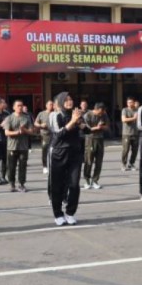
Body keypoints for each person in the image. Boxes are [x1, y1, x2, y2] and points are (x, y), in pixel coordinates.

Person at [49, 92, 88, 226]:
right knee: (57, 185)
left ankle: (70, 213)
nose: (69, 101)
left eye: (71, 99)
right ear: (60, 102)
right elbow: (59, 134)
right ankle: (58, 214)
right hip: (59, 153)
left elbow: (87, 131)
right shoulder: (55, 115)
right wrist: (73, 121)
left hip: (75, 153)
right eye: (66, 100)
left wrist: (80, 122)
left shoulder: (76, 114)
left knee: (74, 185)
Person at [3, 99, 33, 193]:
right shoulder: (9, 118)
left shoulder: (27, 117)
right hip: (12, 147)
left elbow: (31, 131)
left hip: (23, 147)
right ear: (14, 107)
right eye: (18, 105)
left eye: (21, 105)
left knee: (22, 166)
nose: (20, 107)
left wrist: (24, 130)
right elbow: (6, 132)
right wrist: (17, 132)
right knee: (11, 166)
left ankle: (21, 184)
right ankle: (12, 183)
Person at [82, 102, 109, 189]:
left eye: (102, 112)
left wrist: (102, 127)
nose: (101, 114)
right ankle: (87, 180)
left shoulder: (104, 115)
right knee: (89, 161)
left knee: (99, 162)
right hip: (90, 139)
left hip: (100, 139)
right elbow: (86, 129)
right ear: (96, 109)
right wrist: (96, 128)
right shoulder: (87, 115)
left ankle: (95, 180)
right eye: (100, 112)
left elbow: (107, 126)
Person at [34, 100, 55, 174]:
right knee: (45, 150)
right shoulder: (41, 113)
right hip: (45, 135)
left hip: (54, 135)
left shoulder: (55, 113)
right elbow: (36, 123)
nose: (51, 106)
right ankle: (45, 166)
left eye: (52, 104)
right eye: (50, 104)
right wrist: (40, 125)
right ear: (46, 106)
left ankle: (52, 165)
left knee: (53, 151)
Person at [120, 97, 139, 171]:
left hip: (136, 133)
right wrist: (134, 118)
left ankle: (131, 163)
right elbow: (124, 119)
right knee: (126, 150)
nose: (129, 104)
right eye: (128, 102)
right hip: (126, 133)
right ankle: (123, 164)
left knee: (135, 150)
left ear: (134, 103)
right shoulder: (125, 110)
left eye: (131, 102)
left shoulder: (137, 110)